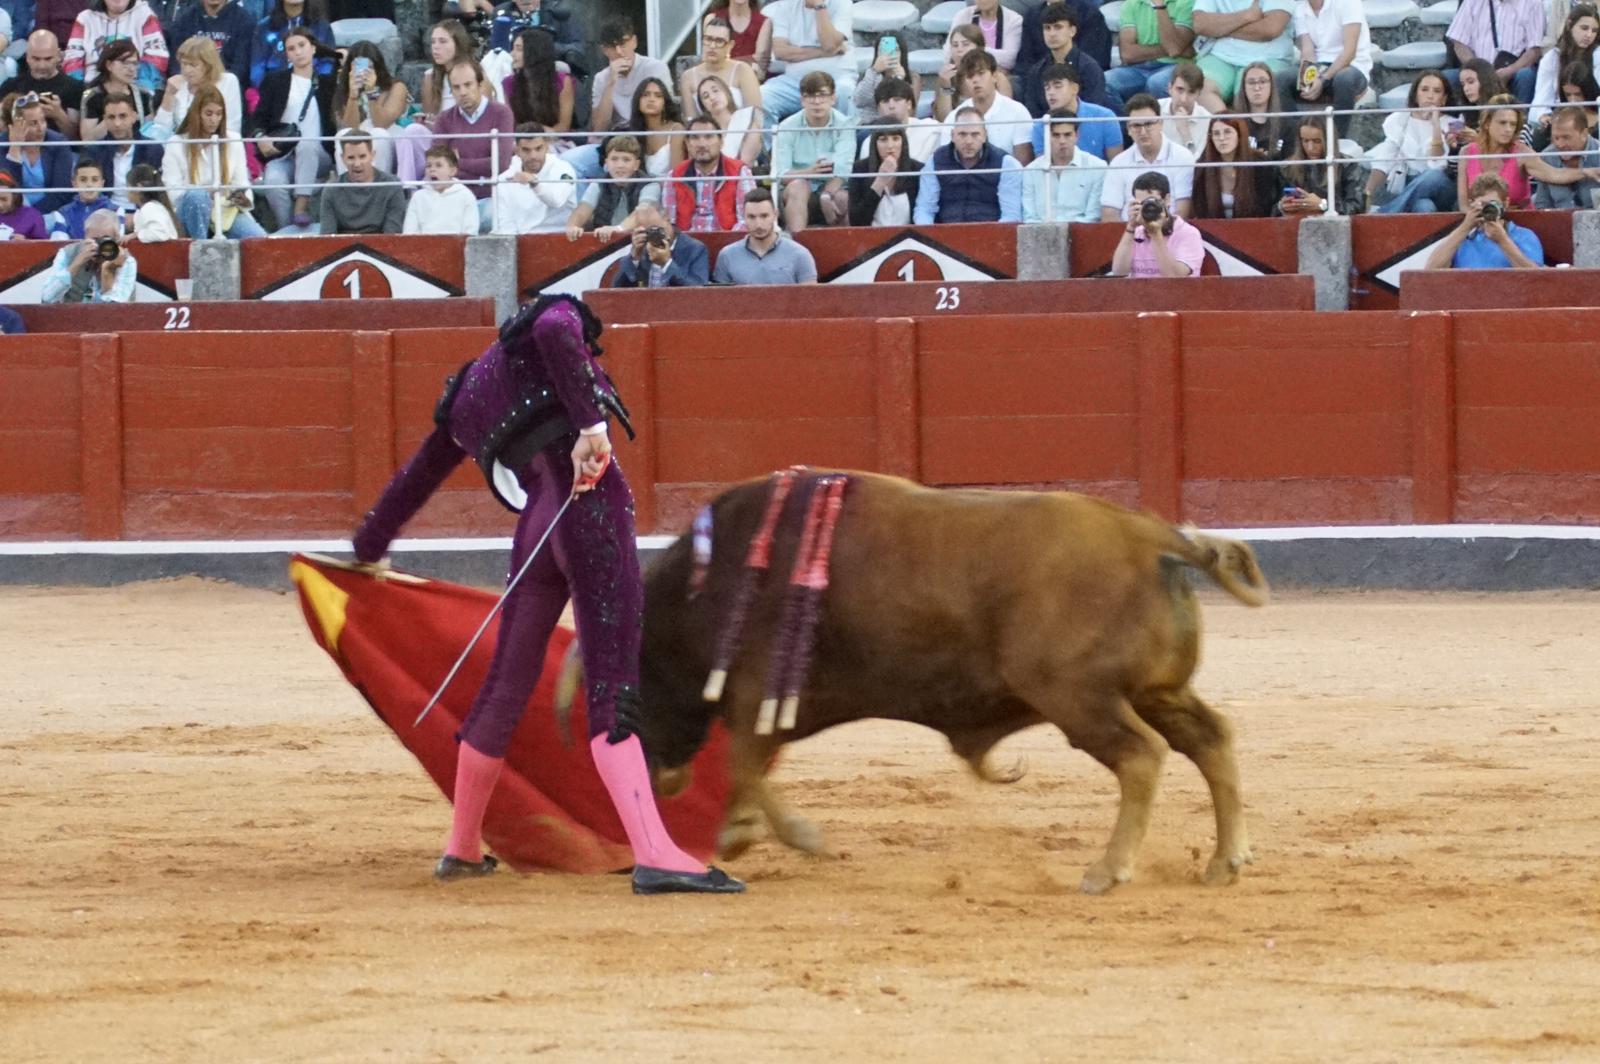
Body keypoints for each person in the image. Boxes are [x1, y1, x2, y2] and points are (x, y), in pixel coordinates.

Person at [350, 294, 745, 895]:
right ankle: (654, 852)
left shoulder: (467, 393)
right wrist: (590, 425)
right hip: (590, 509)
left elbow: (417, 477)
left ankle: (461, 846)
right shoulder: (553, 316)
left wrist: (367, 547)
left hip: (538, 521)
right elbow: (561, 327)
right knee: (613, 678)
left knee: (505, 684)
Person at [248, 26, 335, 228]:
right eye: (291, 48)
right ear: (286, 54)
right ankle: (287, 229)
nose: (298, 52)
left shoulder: (328, 83)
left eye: (302, 45)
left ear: (313, 48)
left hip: (318, 154)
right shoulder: (275, 81)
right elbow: (257, 119)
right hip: (284, 153)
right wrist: (260, 136)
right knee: (273, 183)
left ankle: (301, 207)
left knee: (307, 144)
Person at [159, 84, 264, 237]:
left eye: (218, 114)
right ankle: (203, 248)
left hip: (225, 210)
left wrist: (243, 199)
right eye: (208, 114)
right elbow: (172, 193)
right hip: (189, 211)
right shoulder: (176, 143)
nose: (214, 120)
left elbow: (241, 182)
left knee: (257, 238)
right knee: (197, 196)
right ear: (197, 113)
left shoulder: (233, 140)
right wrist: (207, 194)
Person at [431, 59, 515, 229]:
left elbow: (501, 164)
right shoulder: (443, 120)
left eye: (468, 85)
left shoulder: (501, 113)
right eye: (456, 87)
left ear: (479, 84)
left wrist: (458, 162)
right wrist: (483, 164)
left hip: (491, 197)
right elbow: (439, 168)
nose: (463, 92)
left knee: (493, 217)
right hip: (455, 199)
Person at [1276, 0, 1371, 139]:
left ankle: (1337, 140)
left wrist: (1322, 78)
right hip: (1319, 66)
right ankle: (1296, 139)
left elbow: (1349, 52)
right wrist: (1308, 81)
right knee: (1280, 79)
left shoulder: (1348, 3)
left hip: (1353, 66)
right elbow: (1308, 50)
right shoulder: (1301, 9)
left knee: (1344, 79)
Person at [772, 69, 853, 231]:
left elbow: (845, 169)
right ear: (802, 100)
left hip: (832, 186)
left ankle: (843, 249)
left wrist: (827, 194)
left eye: (822, 95)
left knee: (842, 196)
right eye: (810, 96)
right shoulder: (787, 127)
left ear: (833, 98)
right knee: (798, 187)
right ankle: (797, 245)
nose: (816, 101)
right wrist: (810, 172)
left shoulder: (845, 124)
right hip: (797, 189)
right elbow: (781, 174)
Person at [915, 105, 1023, 223]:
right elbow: (924, 209)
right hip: (944, 234)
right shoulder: (936, 160)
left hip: (991, 235)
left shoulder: (1005, 163)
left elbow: (1011, 215)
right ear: (952, 136)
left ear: (984, 136)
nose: (968, 141)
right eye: (962, 134)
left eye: (975, 134)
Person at [1368, 70, 1457, 213]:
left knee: (1432, 175)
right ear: (1416, 94)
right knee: (1424, 207)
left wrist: (1435, 124)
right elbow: (1385, 157)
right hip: (1409, 181)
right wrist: (1368, 193)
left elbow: (1437, 161)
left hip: (1441, 185)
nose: (1430, 95)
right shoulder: (1399, 119)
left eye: (1437, 91)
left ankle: (1383, 214)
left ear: (1444, 98)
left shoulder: (1451, 123)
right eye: (1424, 89)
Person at [1100, 93, 1195, 219]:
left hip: (1171, 233)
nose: (1143, 132)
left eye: (1149, 124)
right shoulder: (1118, 163)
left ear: (1160, 123)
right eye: (1137, 126)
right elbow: (1109, 213)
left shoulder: (1183, 157)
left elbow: (1182, 211)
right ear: (1128, 129)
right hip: (1129, 232)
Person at [1191, 0, 1295, 113]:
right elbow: (1200, 24)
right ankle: (1228, 126)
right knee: (1197, 87)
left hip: (1267, 57)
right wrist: (1246, 16)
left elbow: (1270, 29)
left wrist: (1221, 28)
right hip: (1219, 55)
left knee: (1254, 92)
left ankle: (1240, 128)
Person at [1424, 171, 1544, 267]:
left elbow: (1536, 277)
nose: (1488, 209)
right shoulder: (1463, 238)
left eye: (1493, 204)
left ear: (1505, 204)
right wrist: (1465, 227)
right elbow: (1430, 269)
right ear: (1472, 204)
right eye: (1483, 204)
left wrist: (1503, 240)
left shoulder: (1523, 235)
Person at [764, 0, 853, 124]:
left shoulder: (841, 3)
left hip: (836, 78)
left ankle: (844, 141)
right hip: (794, 82)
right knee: (763, 96)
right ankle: (772, 143)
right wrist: (822, 53)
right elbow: (780, 52)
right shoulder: (785, 5)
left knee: (845, 91)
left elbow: (830, 44)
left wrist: (819, 6)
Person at [663, 114, 752, 232]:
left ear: (721, 142)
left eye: (709, 137)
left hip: (728, 242)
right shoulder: (674, 176)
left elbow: (746, 220)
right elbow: (670, 223)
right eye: (695, 138)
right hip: (687, 245)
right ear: (687, 145)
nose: (702, 144)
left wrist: (726, 243)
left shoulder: (739, 172)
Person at [943, 48, 1034, 163]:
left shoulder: (1018, 112)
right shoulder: (954, 117)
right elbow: (947, 162)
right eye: (970, 76)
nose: (975, 80)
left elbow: (1023, 165)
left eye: (981, 73)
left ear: (994, 76)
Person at [1445, 0, 1546, 103]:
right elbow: (1459, 43)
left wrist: (1510, 70)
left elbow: (1534, 49)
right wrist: (1479, 71)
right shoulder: (1472, 2)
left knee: (1526, 75)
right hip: (1476, 69)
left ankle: (1523, 117)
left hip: (1513, 71)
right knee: (1448, 77)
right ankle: (1453, 119)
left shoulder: (1533, 3)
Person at [712, 185, 817, 283]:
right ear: (744, 218)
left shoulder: (799, 254)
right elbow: (720, 298)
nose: (758, 224)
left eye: (764, 216)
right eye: (751, 217)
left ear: (775, 215)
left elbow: (811, 298)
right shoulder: (727, 256)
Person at [1021, 2, 1111, 115]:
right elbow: (1033, 112)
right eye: (1047, 28)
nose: (1052, 34)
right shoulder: (1037, 71)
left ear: (1072, 31)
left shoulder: (1089, 68)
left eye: (1058, 27)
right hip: (1046, 129)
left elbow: (1093, 111)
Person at [1109, 170, 1204, 277]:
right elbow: (1119, 272)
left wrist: (1155, 234)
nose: (1148, 208)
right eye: (1142, 203)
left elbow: (1175, 277)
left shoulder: (1188, 233)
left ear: (1167, 199)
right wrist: (1130, 228)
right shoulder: (1136, 233)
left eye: (1152, 202)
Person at [563, 135, 659, 239]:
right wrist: (573, 227)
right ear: (606, 163)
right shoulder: (599, 184)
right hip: (604, 244)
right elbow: (582, 211)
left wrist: (617, 229)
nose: (620, 165)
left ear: (636, 164)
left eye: (626, 160)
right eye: (614, 159)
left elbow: (641, 212)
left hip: (641, 242)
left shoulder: (650, 184)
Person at [587, 16, 670, 134]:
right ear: (604, 50)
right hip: (617, 138)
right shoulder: (601, 78)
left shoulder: (656, 68)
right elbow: (599, 128)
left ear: (634, 42)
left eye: (623, 44)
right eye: (612, 46)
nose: (619, 52)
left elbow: (667, 113)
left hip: (650, 132)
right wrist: (611, 82)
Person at [333, 40, 406, 173]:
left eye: (369, 67)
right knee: (342, 135)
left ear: (378, 67)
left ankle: (378, 185)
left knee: (378, 134)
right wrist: (353, 95)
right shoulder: (345, 89)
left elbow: (381, 123)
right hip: (359, 139)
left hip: (388, 138)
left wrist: (371, 92)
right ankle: (347, 186)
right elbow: (350, 127)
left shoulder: (396, 87)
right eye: (358, 67)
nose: (363, 72)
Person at [1022, 107, 1106, 221]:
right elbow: (1029, 217)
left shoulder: (1097, 168)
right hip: (1040, 235)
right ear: (1046, 136)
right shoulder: (1031, 171)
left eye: (1067, 135)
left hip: (1082, 235)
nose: (1062, 141)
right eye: (1056, 135)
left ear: (1077, 135)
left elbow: (1093, 217)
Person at [62, 0, 166, 90]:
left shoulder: (145, 15)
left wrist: (140, 87)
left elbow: (157, 57)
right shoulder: (84, 18)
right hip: (91, 85)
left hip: (135, 85)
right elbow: (72, 58)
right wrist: (80, 88)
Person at [492, 122, 576, 233]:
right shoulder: (504, 179)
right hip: (521, 241)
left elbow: (557, 201)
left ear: (546, 147)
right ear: (517, 151)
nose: (533, 156)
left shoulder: (563, 169)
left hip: (559, 237)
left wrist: (534, 183)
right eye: (526, 150)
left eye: (538, 148)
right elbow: (505, 224)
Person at [1028, 61, 1119, 161]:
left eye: (1057, 86)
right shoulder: (1040, 126)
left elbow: (1116, 165)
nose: (1051, 93)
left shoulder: (1105, 117)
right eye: (1047, 88)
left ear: (1075, 88)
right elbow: (1043, 166)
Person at [150, 35, 242, 135]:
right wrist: (169, 95)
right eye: (184, 64)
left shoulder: (228, 81)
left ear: (208, 65)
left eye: (193, 65)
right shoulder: (177, 84)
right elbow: (159, 131)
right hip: (182, 146)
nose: (187, 70)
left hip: (218, 145)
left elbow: (232, 127)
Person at [1107, 0, 1197, 101]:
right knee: (1105, 81)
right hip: (1137, 68)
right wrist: (1176, 50)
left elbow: (1173, 47)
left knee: (1157, 83)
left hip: (1175, 66)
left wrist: (1160, 7)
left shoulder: (1186, 3)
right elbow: (1127, 54)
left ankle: (1161, 116)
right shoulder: (1132, 4)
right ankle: (1128, 116)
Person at [1276, 114, 1365, 214]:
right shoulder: (1286, 167)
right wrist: (1282, 207)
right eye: (1305, 141)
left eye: (1317, 141)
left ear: (1329, 140)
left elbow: (1357, 207)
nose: (1310, 147)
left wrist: (1323, 205)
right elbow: (1271, 210)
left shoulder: (1347, 165)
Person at [40, 207, 135, 300]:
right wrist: (76, 264)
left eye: (106, 240)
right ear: (85, 236)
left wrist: (108, 272)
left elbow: (117, 308)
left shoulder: (126, 260)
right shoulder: (67, 253)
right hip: (70, 314)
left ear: (116, 239)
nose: (100, 246)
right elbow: (47, 297)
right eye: (95, 240)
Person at [319, 128, 404, 233]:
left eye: (362, 156)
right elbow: (327, 237)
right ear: (343, 158)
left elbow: (392, 234)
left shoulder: (392, 186)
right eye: (351, 158)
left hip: (381, 247)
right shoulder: (331, 190)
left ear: (372, 155)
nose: (357, 164)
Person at [1, 91, 74, 213]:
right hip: (12, 212)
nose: (41, 128)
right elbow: (8, 190)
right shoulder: (3, 144)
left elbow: (60, 193)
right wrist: (15, 148)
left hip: (51, 211)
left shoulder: (58, 144)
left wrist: (31, 216)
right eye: (33, 123)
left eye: (43, 121)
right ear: (16, 125)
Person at [1457, 93, 1534, 208]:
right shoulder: (1467, 152)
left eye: (1512, 124)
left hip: (1519, 222)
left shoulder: (1522, 152)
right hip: (1479, 220)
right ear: (1488, 123)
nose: (1508, 129)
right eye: (1502, 123)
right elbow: (1464, 206)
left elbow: (1553, 175)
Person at [0, 30, 83, 136]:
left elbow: (76, 139)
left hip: (57, 150)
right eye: (36, 59)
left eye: (48, 59)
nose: (42, 65)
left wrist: (58, 115)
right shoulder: (11, 86)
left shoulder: (74, 87)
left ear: (58, 56)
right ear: (27, 57)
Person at [1190, 114, 1275, 218]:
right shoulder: (1203, 166)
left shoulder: (1260, 164)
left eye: (1227, 132)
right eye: (1216, 134)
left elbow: (1266, 208)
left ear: (1240, 135)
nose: (1222, 138)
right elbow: (1200, 209)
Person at [84, 91, 159, 206]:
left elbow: (157, 194)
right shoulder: (94, 151)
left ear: (134, 117)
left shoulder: (152, 149)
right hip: (106, 213)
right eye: (111, 117)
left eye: (123, 116)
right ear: (105, 120)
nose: (117, 123)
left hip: (143, 212)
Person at [611, 199, 709, 287]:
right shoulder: (642, 248)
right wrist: (634, 258)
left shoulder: (694, 249)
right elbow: (617, 290)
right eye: (647, 231)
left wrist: (667, 264)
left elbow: (698, 291)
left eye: (656, 229)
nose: (654, 235)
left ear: (667, 217)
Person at [1531, 3, 1598, 127]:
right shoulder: (1552, 57)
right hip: (1561, 117)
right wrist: (1543, 116)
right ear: (1569, 24)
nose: (1589, 35)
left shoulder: (1598, 55)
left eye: (1594, 31)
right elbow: (1541, 98)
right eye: (1584, 28)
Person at [848, 113, 922, 225]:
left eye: (896, 139)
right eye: (883, 140)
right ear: (874, 144)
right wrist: (880, 182)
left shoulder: (917, 170)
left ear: (903, 142)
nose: (890, 146)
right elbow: (856, 221)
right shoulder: (860, 169)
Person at [681, 15, 761, 119]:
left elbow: (756, 117)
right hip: (705, 133)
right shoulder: (688, 77)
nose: (712, 46)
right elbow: (690, 122)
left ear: (730, 45)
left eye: (719, 41)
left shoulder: (743, 70)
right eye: (708, 39)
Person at [80, 38, 157, 139]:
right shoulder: (91, 95)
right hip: (103, 152)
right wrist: (111, 119)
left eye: (135, 64)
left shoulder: (144, 94)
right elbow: (87, 140)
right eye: (125, 63)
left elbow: (150, 134)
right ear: (109, 65)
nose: (131, 69)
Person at [164, 0, 255, 85]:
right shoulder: (185, 19)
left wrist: (216, 85)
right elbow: (176, 63)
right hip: (191, 85)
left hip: (226, 86)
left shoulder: (243, 20)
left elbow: (240, 68)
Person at [502, 26, 573, 133]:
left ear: (535, 52)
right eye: (513, 48)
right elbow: (511, 124)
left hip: (554, 139)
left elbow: (563, 126)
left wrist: (541, 133)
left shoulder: (562, 81)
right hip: (522, 140)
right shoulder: (509, 83)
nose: (512, 54)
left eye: (519, 49)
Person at [248, 0, 333, 87]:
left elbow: (327, 64)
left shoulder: (322, 27)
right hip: (274, 93)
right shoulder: (264, 28)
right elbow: (257, 71)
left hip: (313, 92)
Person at [933, 28, 1012, 121]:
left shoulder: (997, 77)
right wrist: (946, 87)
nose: (959, 50)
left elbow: (1007, 113)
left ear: (980, 48)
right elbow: (945, 119)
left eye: (965, 44)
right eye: (955, 45)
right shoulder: (946, 77)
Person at [1528, 104, 1600, 205]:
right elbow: (1542, 204)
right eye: (1556, 138)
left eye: (1566, 137)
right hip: (1557, 219)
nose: (1559, 144)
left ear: (1584, 134)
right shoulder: (1547, 157)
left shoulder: (1598, 153)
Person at [859, 76, 938, 162]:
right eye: (885, 101)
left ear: (909, 104)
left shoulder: (931, 129)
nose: (891, 106)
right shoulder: (869, 143)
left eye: (897, 100)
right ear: (878, 109)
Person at [403, 144, 478, 234]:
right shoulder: (418, 197)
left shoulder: (466, 196)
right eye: (428, 165)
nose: (432, 169)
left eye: (438, 165)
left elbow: (470, 232)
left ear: (452, 171)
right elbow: (409, 232)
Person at [695, 72, 761, 168]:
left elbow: (746, 162)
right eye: (706, 96)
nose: (712, 97)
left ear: (726, 92)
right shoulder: (704, 133)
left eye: (716, 90)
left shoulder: (747, 117)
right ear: (704, 107)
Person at [1232, 60, 1295, 159]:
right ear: (1243, 87)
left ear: (1271, 85)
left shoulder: (1287, 125)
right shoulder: (1234, 124)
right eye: (1251, 82)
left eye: (1263, 81)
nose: (1257, 88)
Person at [625, 76, 685, 179]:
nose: (651, 99)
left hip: (669, 189)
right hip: (641, 189)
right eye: (645, 95)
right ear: (638, 100)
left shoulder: (676, 129)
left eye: (658, 96)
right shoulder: (631, 131)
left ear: (664, 103)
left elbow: (676, 173)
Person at [853, 30, 922, 118]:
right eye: (884, 50)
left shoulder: (913, 78)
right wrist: (874, 71)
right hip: (870, 125)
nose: (889, 54)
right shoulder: (870, 75)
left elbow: (910, 112)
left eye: (896, 50)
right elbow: (859, 101)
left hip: (899, 126)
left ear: (902, 53)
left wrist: (899, 80)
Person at [943, 0, 1024, 72]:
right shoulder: (962, 15)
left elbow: (1009, 60)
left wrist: (976, 49)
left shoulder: (1014, 20)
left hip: (997, 74)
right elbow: (948, 52)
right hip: (964, 70)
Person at [488, 0, 582, 57]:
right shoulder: (502, 12)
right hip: (512, 65)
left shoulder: (558, 11)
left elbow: (578, 47)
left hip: (550, 65)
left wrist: (546, 47)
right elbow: (493, 47)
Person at [418, 19, 471, 119]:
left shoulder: (475, 74)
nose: (435, 47)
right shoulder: (430, 77)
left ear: (458, 44)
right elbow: (430, 118)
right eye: (433, 42)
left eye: (442, 41)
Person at [46, 154, 111, 236]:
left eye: (95, 180)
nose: (89, 184)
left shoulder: (116, 211)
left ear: (102, 183)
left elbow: (116, 244)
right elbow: (60, 245)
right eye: (83, 180)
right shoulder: (63, 213)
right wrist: (81, 249)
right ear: (74, 183)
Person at [1158, 61, 1211, 156]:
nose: (1183, 99)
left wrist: (1185, 133)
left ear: (1199, 93)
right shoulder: (1155, 109)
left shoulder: (1207, 120)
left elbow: (1197, 165)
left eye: (1191, 92)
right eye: (1180, 90)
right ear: (1170, 88)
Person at [709, 0, 771, 80]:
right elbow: (710, 63)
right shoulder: (712, 18)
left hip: (750, 82)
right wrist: (749, 59)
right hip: (718, 81)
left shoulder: (764, 22)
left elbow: (759, 73)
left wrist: (723, 62)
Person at [125, 159, 180, 237]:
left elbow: (160, 234)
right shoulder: (151, 208)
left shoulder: (150, 208)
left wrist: (137, 235)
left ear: (138, 188)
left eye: (128, 186)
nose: (126, 191)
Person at [0, 168, 46, 236]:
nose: (0, 205)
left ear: (14, 196)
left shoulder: (32, 216)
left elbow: (44, 245)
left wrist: (24, 241)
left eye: (4, 199)